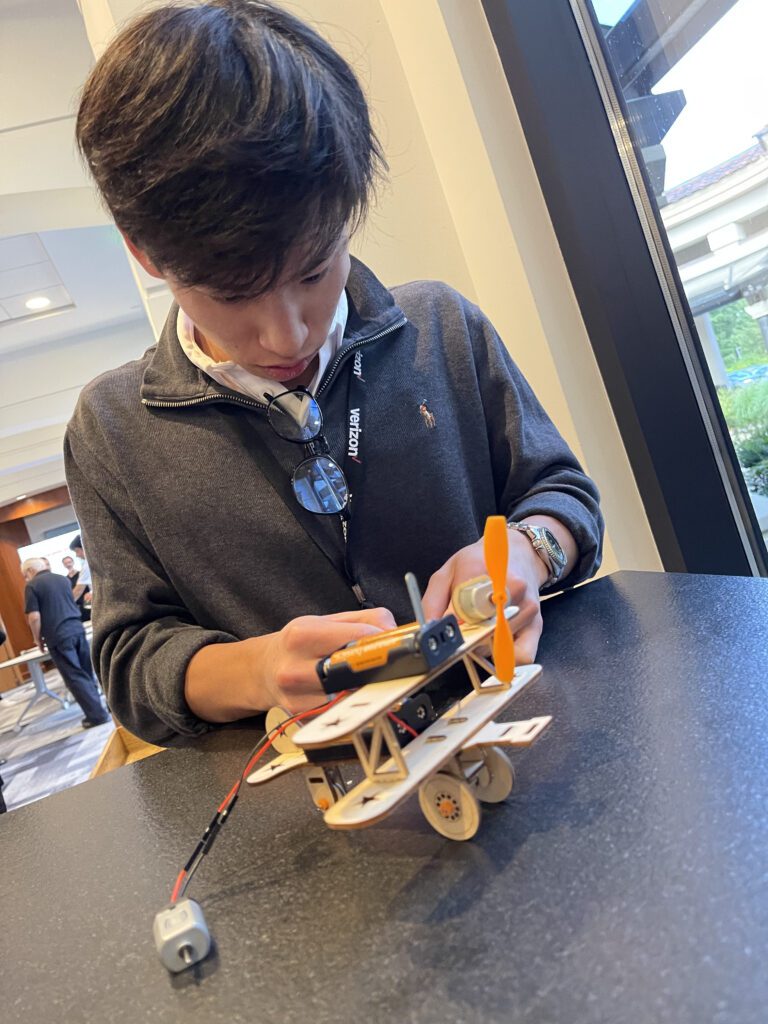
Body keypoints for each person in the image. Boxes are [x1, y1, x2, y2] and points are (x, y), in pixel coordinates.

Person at [65, 0, 604, 745]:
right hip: (311, 815)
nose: (286, 332)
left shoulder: (440, 330)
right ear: (146, 254)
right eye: (232, 295)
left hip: (529, 737)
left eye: (316, 272)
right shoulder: (115, 429)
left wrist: (528, 549)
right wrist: (255, 670)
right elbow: (128, 660)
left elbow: (565, 496)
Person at [21, 558, 109, 729]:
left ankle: (96, 716)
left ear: (31, 570)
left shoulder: (32, 586)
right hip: (77, 628)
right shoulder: (62, 580)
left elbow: (34, 616)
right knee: (85, 671)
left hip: (58, 635)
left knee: (74, 676)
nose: (26, 578)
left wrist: (37, 638)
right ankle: (100, 709)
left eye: (25, 575)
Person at [62, 553, 90, 623]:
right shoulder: (65, 579)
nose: (68, 564)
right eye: (65, 563)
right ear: (64, 565)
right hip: (76, 608)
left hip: (87, 604)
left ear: (73, 562)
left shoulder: (82, 574)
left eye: (69, 562)